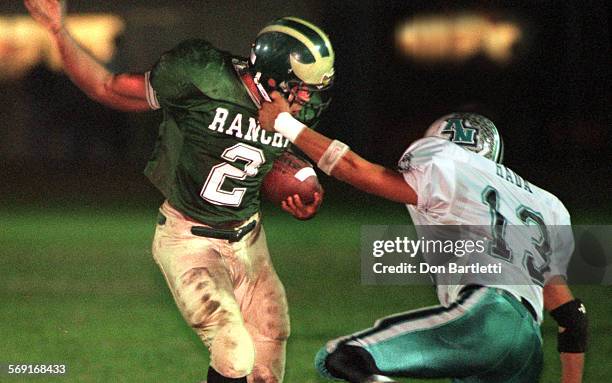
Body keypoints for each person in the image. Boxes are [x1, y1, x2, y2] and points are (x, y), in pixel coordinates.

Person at [25, 1, 335, 382]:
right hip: (190, 240)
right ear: (272, 78)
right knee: (234, 351)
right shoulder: (202, 76)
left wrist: (300, 188)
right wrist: (59, 31)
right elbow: (106, 87)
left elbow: (267, 157)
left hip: (250, 240)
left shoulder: (291, 109)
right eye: (300, 89)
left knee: (267, 360)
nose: (306, 99)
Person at [258, 93, 587, 383]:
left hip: (487, 317)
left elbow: (352, 167)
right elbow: (572, 317)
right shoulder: (546, 204)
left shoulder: (444, 161)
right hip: (527, 349)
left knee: (342, 358)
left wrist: (285, 123)